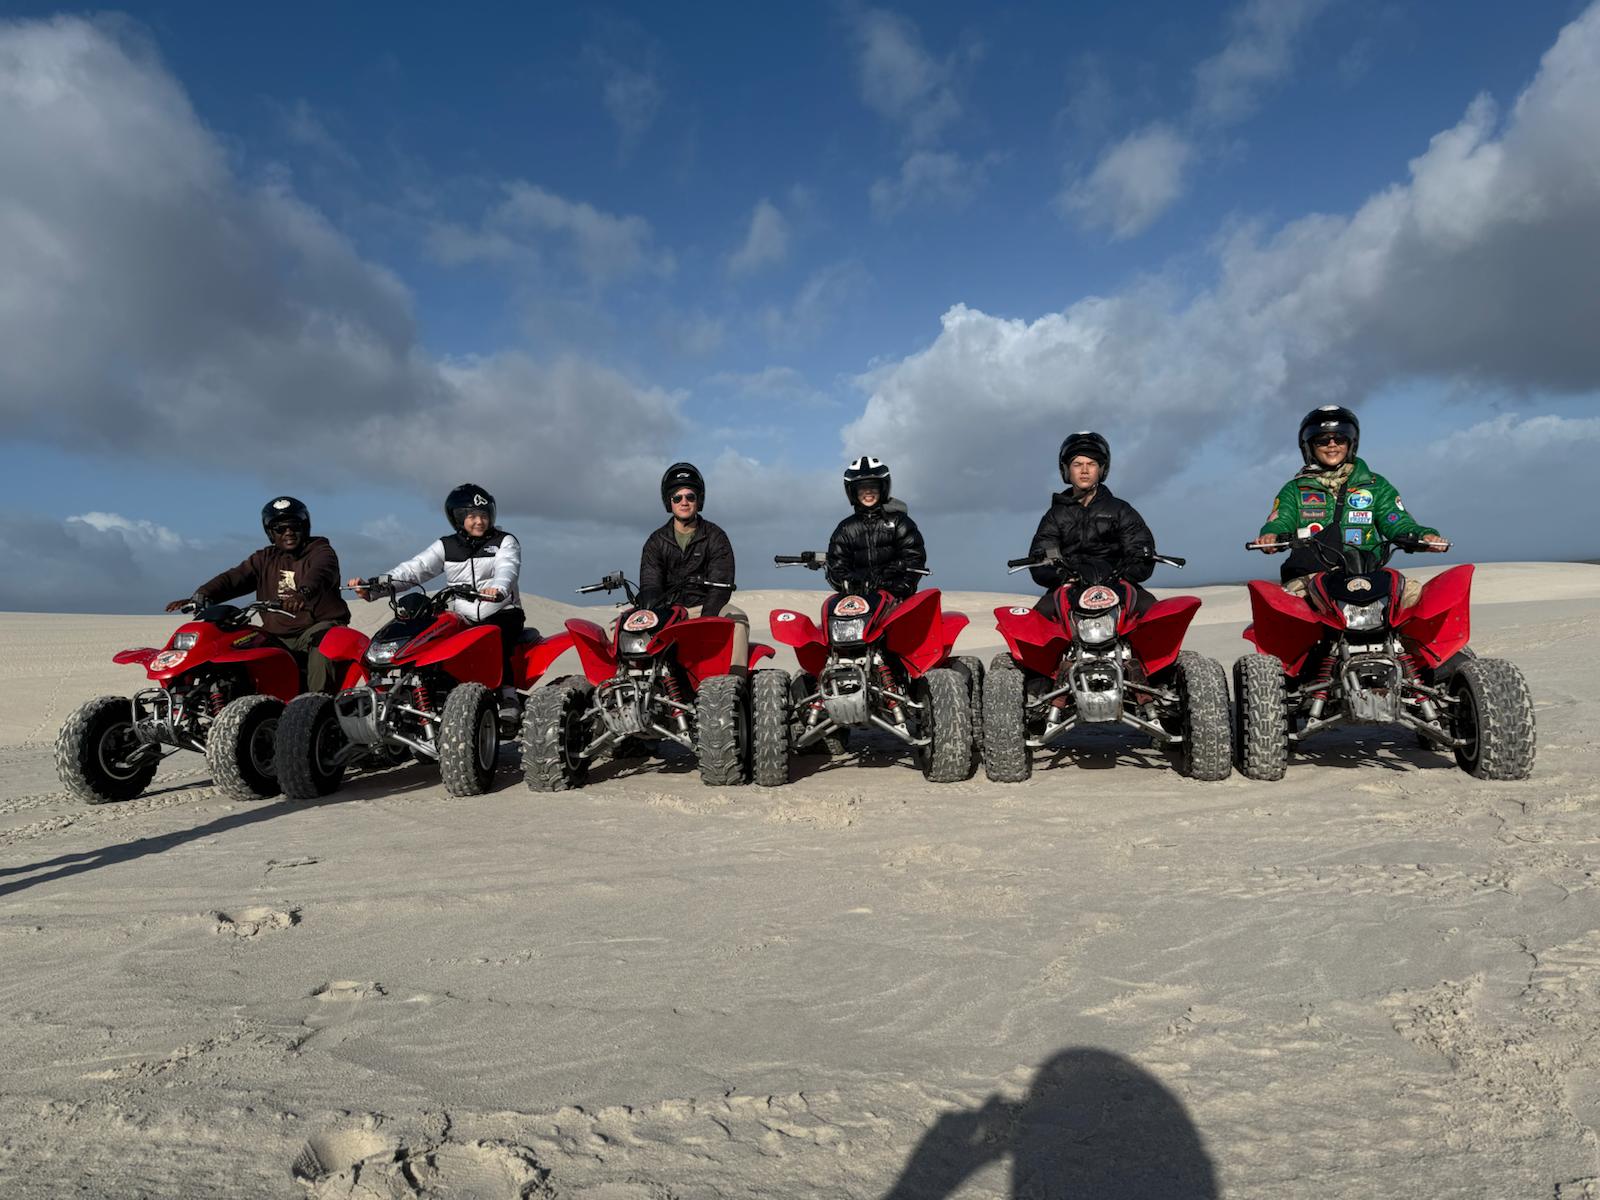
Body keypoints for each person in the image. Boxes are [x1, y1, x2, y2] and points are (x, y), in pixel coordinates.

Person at [351, 484, 524, 718]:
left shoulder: (504, 541)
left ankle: (508, 695)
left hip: (502, 610)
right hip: (464, 615)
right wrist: (374, 587)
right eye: (472, 516)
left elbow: (507, 568)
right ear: (458, 518)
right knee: (432, 640)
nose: (479, 521)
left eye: (484, 515)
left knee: (496, 635)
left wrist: (499, 588)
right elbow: (415, 569)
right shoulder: (447, 545)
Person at [1257, 405, 1446, 604]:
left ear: (1350, 443)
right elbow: (1281, 520)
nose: (1332, 445)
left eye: (1339, 438)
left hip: (1368, 575)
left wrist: (1423, 536)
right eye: (1322, 440)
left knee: (1418, 599)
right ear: (1309, 445)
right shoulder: (1295, 490)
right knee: (1288, 608)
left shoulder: (1376, 485)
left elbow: (1396, 521)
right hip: (1312, 576)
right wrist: (1272, 535)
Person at [168, 496, 351, 694]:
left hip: (316, 627)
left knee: (322, 646)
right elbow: (234, 578)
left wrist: (302, 594)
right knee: (234, 649)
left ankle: (317, 702)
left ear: (304, 527)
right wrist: (202, 595)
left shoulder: (320, 551)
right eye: (280, 529)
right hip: (276, 634)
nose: (288, 532)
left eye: (294, 527)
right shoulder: (265, 558)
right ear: (271, 533)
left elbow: (321, 572)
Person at [1027, 432, 1156, 620]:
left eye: (1092, 464)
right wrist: (1060, 575)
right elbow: (1041, 553)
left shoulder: (1121, 510)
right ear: (1066, 470)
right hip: (1069, 586)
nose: (1084, 470)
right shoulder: (1055, 515)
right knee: (1037, 620)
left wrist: (1131, 568)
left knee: (1152, 612)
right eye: (1077, 464)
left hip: (1118, 583)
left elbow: (1139, 546)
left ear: (1102, 469)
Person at [637, 462, 748, 671]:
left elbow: (720, 584)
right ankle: (627, 682)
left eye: (690, 496)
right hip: (668, 611)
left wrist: (705, 620)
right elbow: (650, 582)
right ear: (669, 502)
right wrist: (654, 610)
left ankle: (734, 680)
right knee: (621, 626)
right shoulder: (656, 541)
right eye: (677, 498)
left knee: (738, 620)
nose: (684, 502)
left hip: (704, 607)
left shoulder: (715, 536)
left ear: (699, 500)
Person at [825, 455, 927, 599]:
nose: (868, 492)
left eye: (873, 487)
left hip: (895, 597)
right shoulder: (845, 528)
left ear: (883, 489)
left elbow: (914, 558)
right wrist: (854, 582)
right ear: (853, 491)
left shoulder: (900, 522)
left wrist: (900, 584)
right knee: (830, 609)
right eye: (862, 488)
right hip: (857, 598)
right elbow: (837, 565)